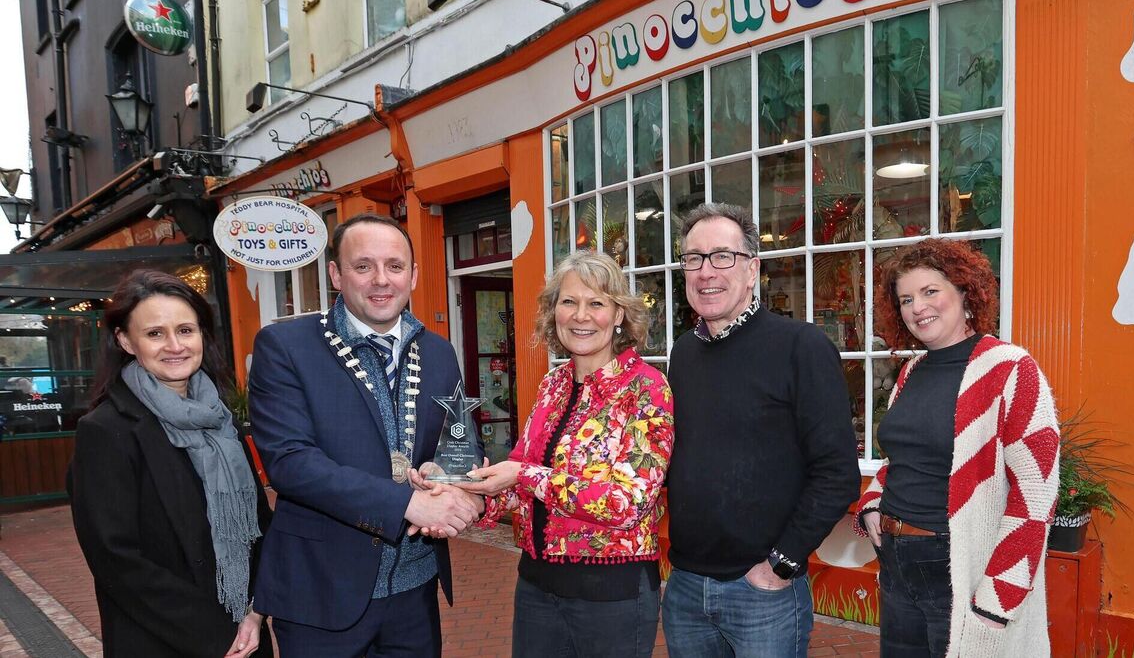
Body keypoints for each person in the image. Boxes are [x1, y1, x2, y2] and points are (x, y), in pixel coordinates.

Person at [418, 251, 673, 658]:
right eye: (569, 301)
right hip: (536, 586)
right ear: (554, 312)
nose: (581, 316)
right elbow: (518, 476)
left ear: (619, 315)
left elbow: (628, 503)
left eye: (596, 303)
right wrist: (457, 489)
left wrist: (524, 475)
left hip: (611, 596)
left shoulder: (646, 388)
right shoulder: (553, 384)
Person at [248, 213, 481, 657]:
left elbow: (461, 443)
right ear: (336, 274)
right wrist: (406, 503)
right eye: (363, 266)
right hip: (322, 594)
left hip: (415, 592)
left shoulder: (438, 351)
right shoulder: (285, 347)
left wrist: (447, 477)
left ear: (413, 275)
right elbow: (290, 463)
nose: (381, 280)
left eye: (394, 266)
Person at [662, 203, 862, 657]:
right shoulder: (684, 353)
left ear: (752, 270)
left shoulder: (802, 347)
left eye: (722, 256)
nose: (706, 272)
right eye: (693, 258)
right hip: (685, 587)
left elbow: (837, 473)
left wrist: (781, 563)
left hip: (762, 593)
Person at [854, 238, 1060, 657]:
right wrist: (873, 503)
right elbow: (902, 458)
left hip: (960, 568)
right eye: (906, 299)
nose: (917, 307)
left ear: (966, 292)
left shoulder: (1010, 369)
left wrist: (999, 598)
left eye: (930, 291)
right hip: (896, 562)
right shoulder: (911, 371)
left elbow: (1036, 494)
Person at [69, 269, 271, 658]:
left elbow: (261, 526)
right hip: (164, 640)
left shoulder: (222, 422)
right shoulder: (106, 430)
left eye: (185, 330)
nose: (175, 346)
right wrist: (217, 635)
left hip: (247, 631)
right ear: (125, 341)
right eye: (155, 333)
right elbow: (115, 558)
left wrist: (255, 611)